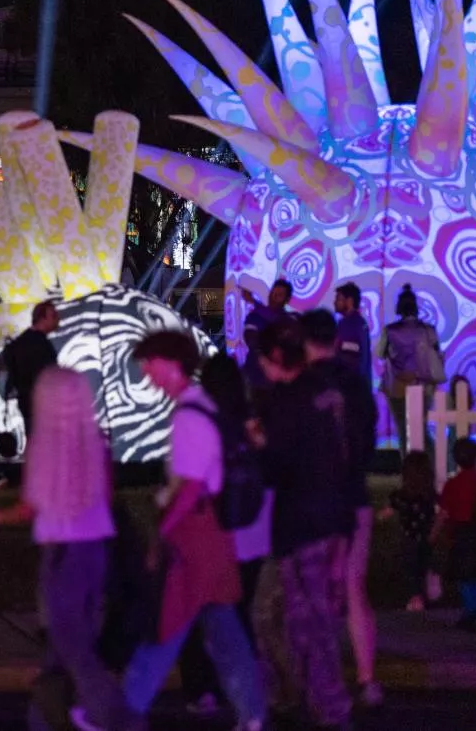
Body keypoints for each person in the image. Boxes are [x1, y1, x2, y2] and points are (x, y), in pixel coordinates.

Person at [0, 367, 134, 731]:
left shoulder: (46, 446)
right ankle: (43, 719)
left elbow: (31, 507)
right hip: (95, 551)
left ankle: (115, 717)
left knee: (72, 646)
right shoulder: (95, 441)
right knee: (67, 645)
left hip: (62, 554)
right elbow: (106, 497)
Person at [120, 331, 265, 729]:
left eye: (150, 363)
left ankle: (123, 709)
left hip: (195, 529)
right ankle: (252, 712)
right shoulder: (202, 406)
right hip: (211, 529)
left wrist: (162, 532)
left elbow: (192, 486)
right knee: (221, 625)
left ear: (172, 363)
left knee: (170, 621)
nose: (146, 372)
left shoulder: (188, 414)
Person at [255, 316, 355, 730]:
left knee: (306, 627)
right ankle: (317, 703)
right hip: (328, 522)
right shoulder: (323, 395)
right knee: (311, 625)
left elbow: (278, 467)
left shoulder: (286, 401)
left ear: (276, 357)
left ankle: (328, 709)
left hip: (299, 528)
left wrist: (259, 444)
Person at [176, 353, 274, 716]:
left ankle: (202, 689)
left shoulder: (205, 421)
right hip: (253, 532)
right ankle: (243, 692)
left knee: (201, 614)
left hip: (216, 533)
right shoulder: (251, 422)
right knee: (239, 614)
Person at [302, 307, 381, 704]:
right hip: (354, 495)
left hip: (314, 500)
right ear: (335, 340)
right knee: (354, 588)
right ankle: (368, 678)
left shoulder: (301, 385)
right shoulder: (356, 384)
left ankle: (325, 678)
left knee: (315, 591)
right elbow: (366, 439)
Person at [376, 285, 444, 452]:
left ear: (399, 307)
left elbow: (379, 353)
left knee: (403, 430)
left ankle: (408, 469)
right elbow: (437, 354)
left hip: (397, 387)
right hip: (424, 386)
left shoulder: (390, 331)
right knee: (421, 429)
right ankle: (431, 465)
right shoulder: (428, 330)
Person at [381, 450, 439, 612]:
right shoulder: (429, 495)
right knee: (423, 566)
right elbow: (441, 506)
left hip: (409, 539)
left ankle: (416, 598)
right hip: (426, 538)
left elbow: (387, 512)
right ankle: (425, 595)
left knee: (410, 569)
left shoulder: (400, 496)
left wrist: (378, 515)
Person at [441, 437, 476, 633]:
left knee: (463, 576)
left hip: (460, 533)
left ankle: (471, 611)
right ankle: (475, 609)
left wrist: (437, 535)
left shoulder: (452, 484)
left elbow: (444, 512)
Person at [3, 301, 60, 434]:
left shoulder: (20, 342)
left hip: (26, 402)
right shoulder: (41, 345)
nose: (58, 319)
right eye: (53, 315)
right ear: (42, 318)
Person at [241, 279, 294, 391]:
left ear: (287, 299)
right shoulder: (256, 315)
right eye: (273, 292)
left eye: (280, 294)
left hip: (276, 382)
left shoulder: (290, 320)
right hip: (252, 372)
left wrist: (254, 302)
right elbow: (250, 336)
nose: (275, 296)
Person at [331, 283, 372, 383]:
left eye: (338, 299)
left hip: (350, 384)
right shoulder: (359, 322)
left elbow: (349, 357)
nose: (334, 302)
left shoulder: (350, 324)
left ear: (349, 301)